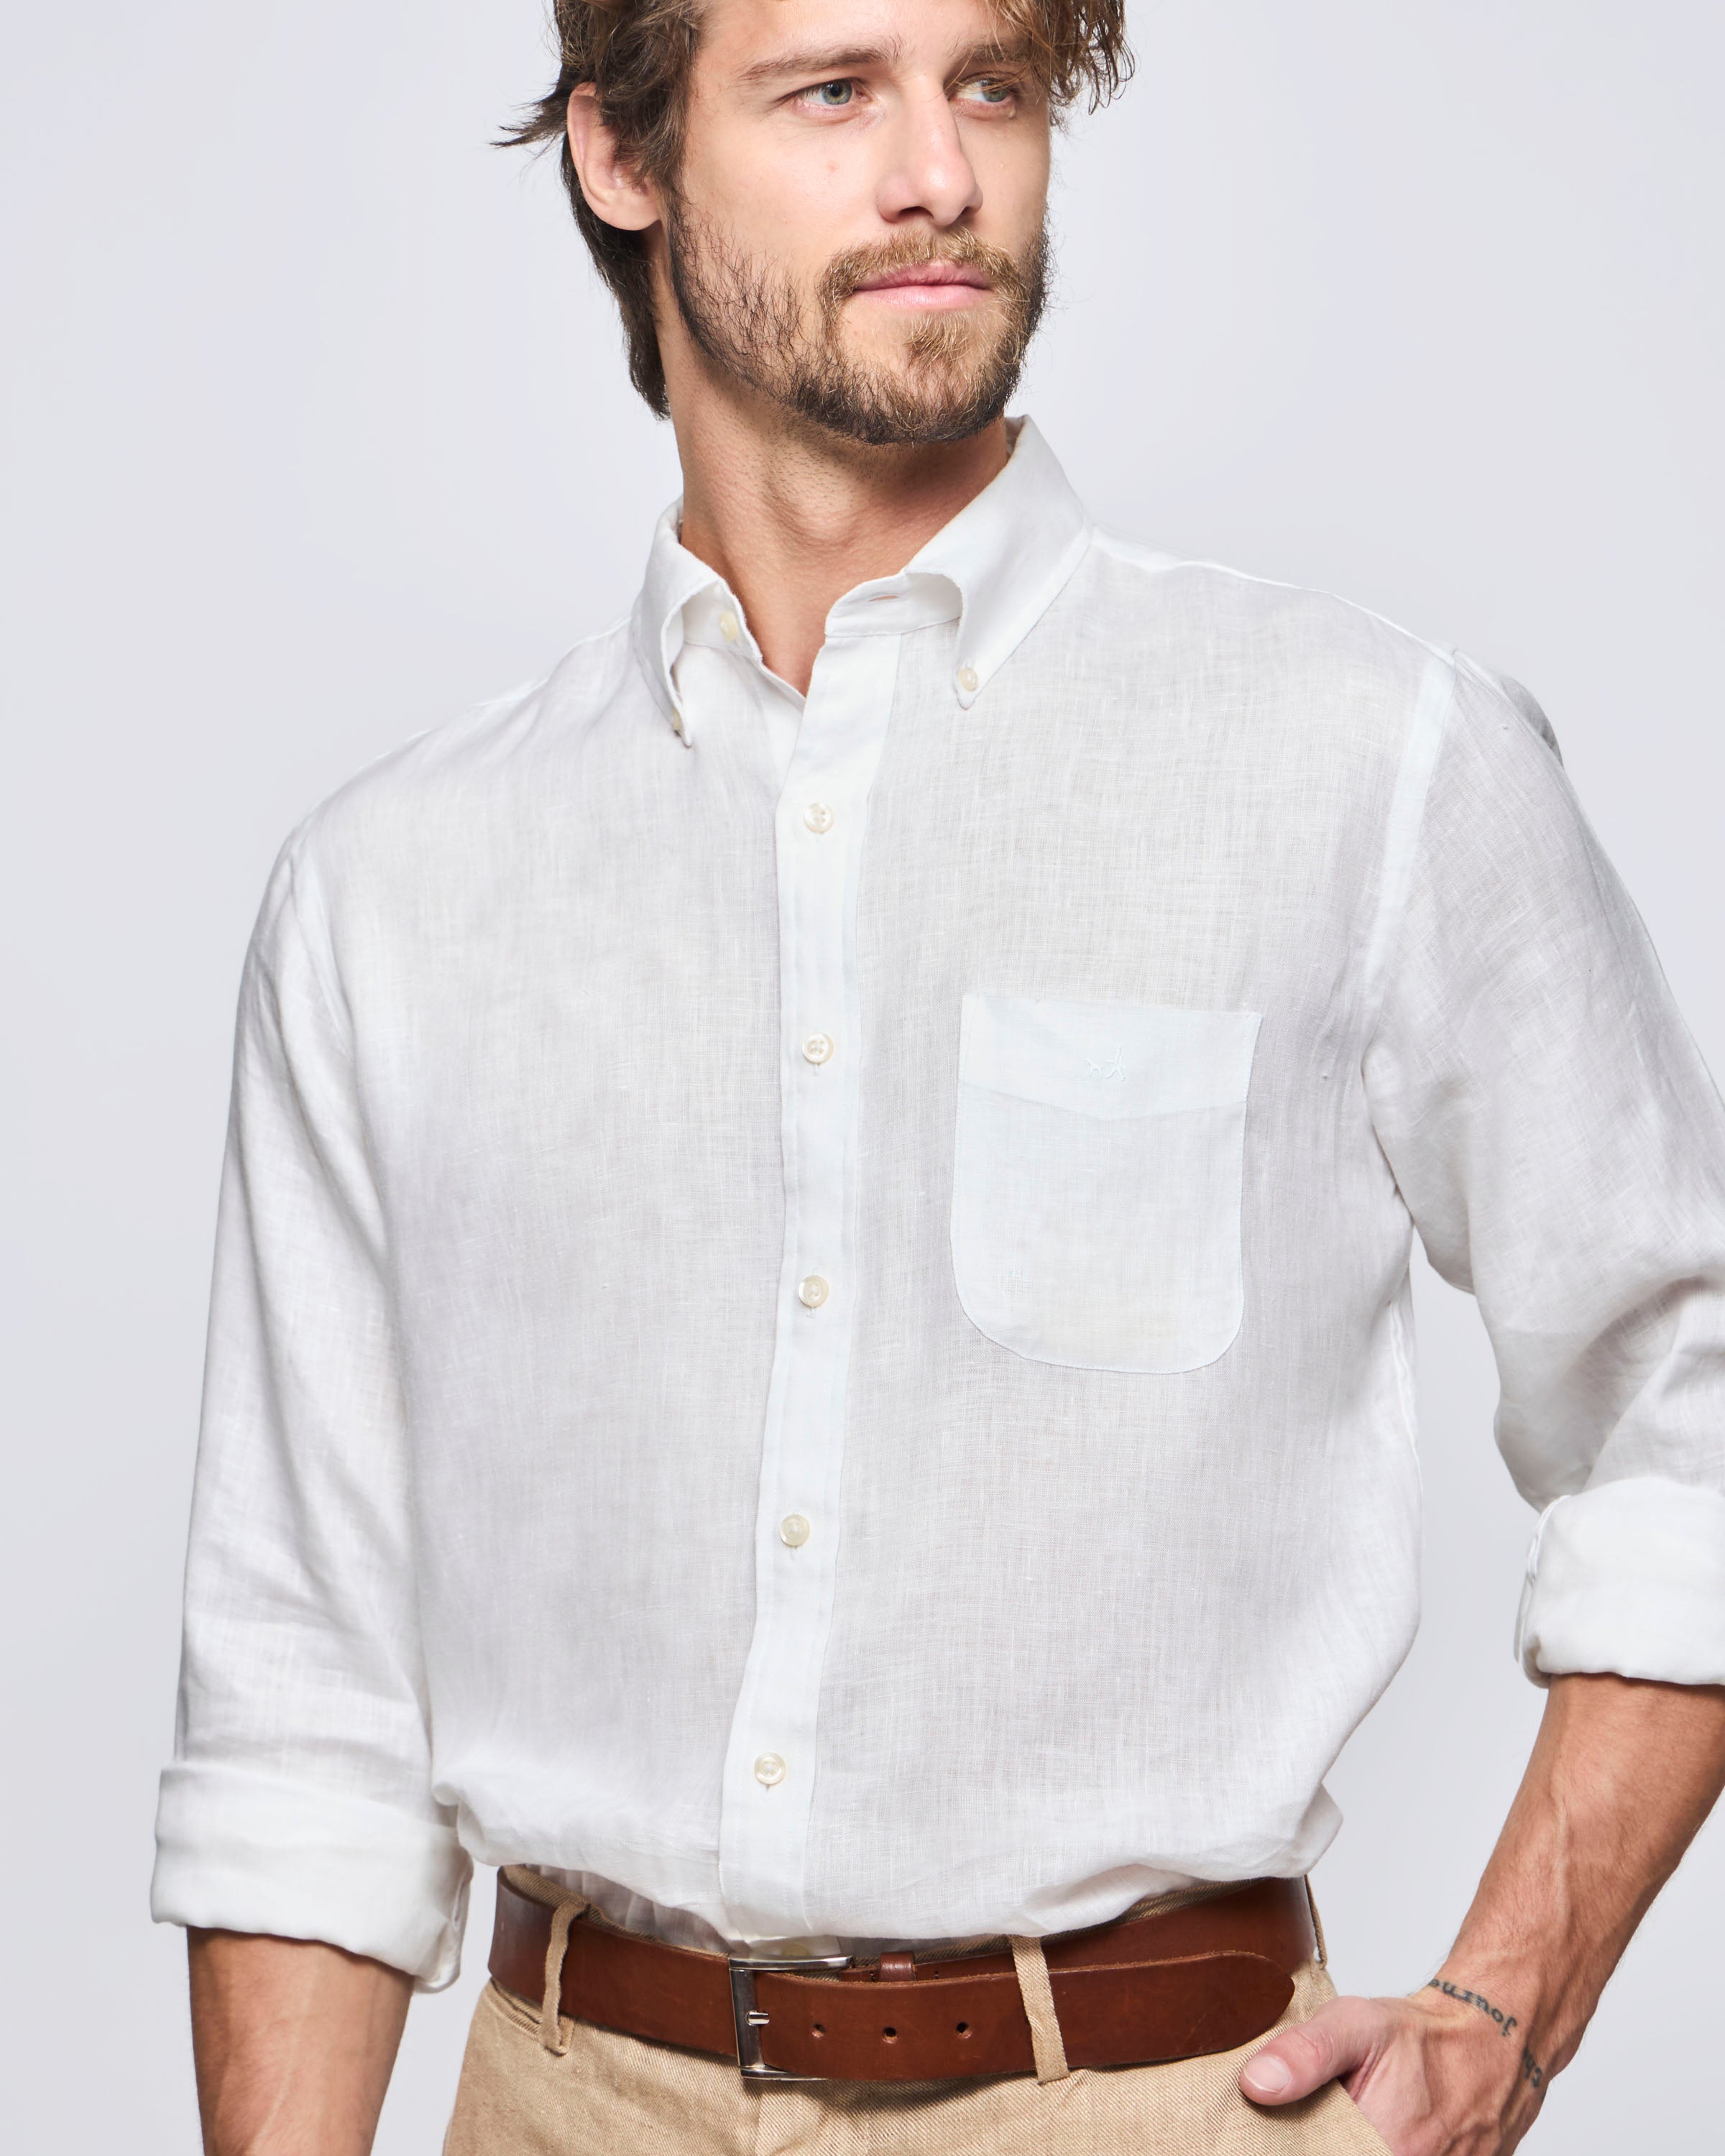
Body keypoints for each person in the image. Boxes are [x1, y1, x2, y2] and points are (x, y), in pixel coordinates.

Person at [151, 0, 1725, 2149]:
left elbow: (1690, 1400)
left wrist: (1508, 2006)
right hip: (562, 2101)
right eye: (835, 91)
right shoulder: (396, 890)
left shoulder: (1363, 763)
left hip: (1154, 2102)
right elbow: (303, 1708)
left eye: (994, 84)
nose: (941, 176)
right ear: (623, 151)